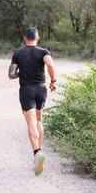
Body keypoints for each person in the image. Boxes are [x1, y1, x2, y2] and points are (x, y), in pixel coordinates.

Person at [8, 27, 57, 175]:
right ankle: (39, 151)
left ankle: (36, 153)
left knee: (31, 123)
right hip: (41, 89)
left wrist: (20, 73)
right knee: (38, 120)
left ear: (25, 38)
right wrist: (53, 80)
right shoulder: (43, 52)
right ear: (38, 38)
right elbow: (50, 64)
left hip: (26, 89)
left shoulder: (18, 54)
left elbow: (11, 74)